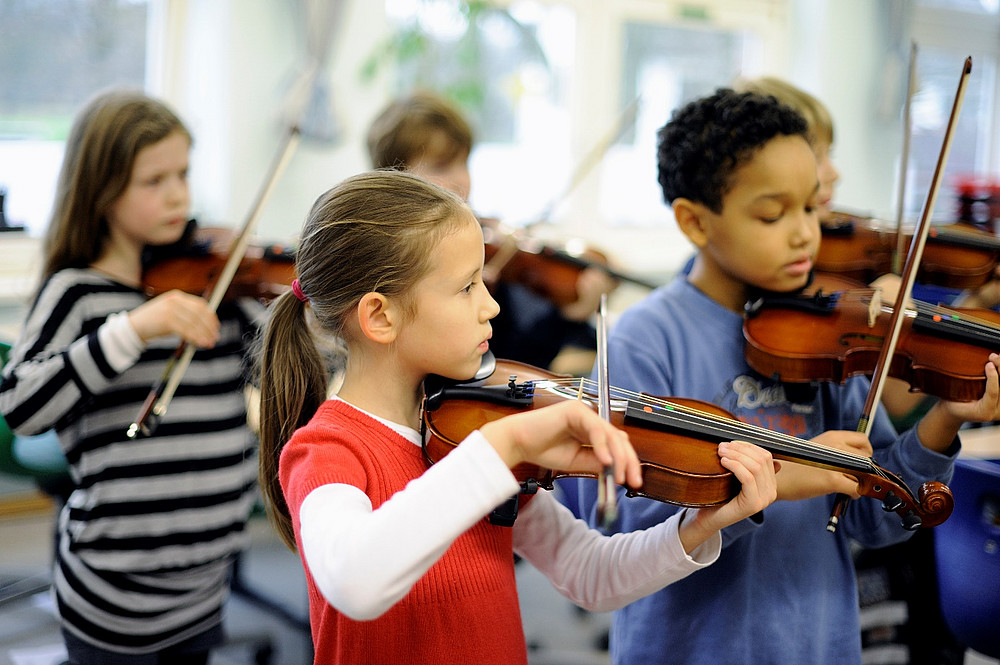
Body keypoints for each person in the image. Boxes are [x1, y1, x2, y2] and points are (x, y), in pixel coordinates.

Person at [255, 169, 780, 664]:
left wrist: (706, 522)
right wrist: (505, 448)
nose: (492, 306)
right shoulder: (329, 451)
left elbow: (591, 574)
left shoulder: (467, 436)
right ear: (380, 315)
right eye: (466, 288)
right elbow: (354, 583)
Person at [563, 88, 1000, 665]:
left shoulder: (822, 332)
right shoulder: (647, 339)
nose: (804, 234)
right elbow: (620, 534)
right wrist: (780, 479)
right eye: (773, 214)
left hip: (818, 646)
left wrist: (948, 416)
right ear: (695, 221)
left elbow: (873, 516)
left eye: (812, 208)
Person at [0, 89, 263, 664]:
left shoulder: (215, 289)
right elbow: (20, 404)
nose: (179, 194)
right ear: (102, 191)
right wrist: (134, 329)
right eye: (155, 180)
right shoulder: (78, 295)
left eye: (184, 173)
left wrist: (291, 306)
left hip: (202, 590)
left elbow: (282, 370)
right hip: (112, 602)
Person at [365, 90, 618, 374]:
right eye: (442, 166)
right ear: (393, 175)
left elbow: (508, 366)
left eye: (464, 163)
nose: (462, 180)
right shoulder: (383, 265)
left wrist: (569, 315)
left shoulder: (487, 253)